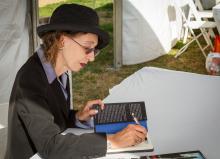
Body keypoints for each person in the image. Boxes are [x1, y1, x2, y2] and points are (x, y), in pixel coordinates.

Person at [5, 3, 147, 159]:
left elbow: (51, 119)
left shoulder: (60, 71)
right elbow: (51, 146)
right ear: (61, 41)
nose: (92, 58)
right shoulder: (30, 81)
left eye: (95, 50)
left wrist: (77, 117)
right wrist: (112, 141)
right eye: (88, 47)